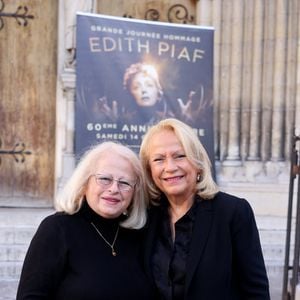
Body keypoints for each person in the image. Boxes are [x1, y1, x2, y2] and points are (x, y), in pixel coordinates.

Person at [139, 118, 270, 300]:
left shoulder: (232, 212)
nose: (170, 167)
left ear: (198, 162)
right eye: (159, 159)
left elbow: (256, 292)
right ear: (149, 171)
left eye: (180, 156)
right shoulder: (144, 218)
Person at [16, 141, 158, 300]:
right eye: (105, 179)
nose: (113, 189)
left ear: (134, 192)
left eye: (124, 183)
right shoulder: (57, 229)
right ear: (85, 183)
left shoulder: (138, 235)